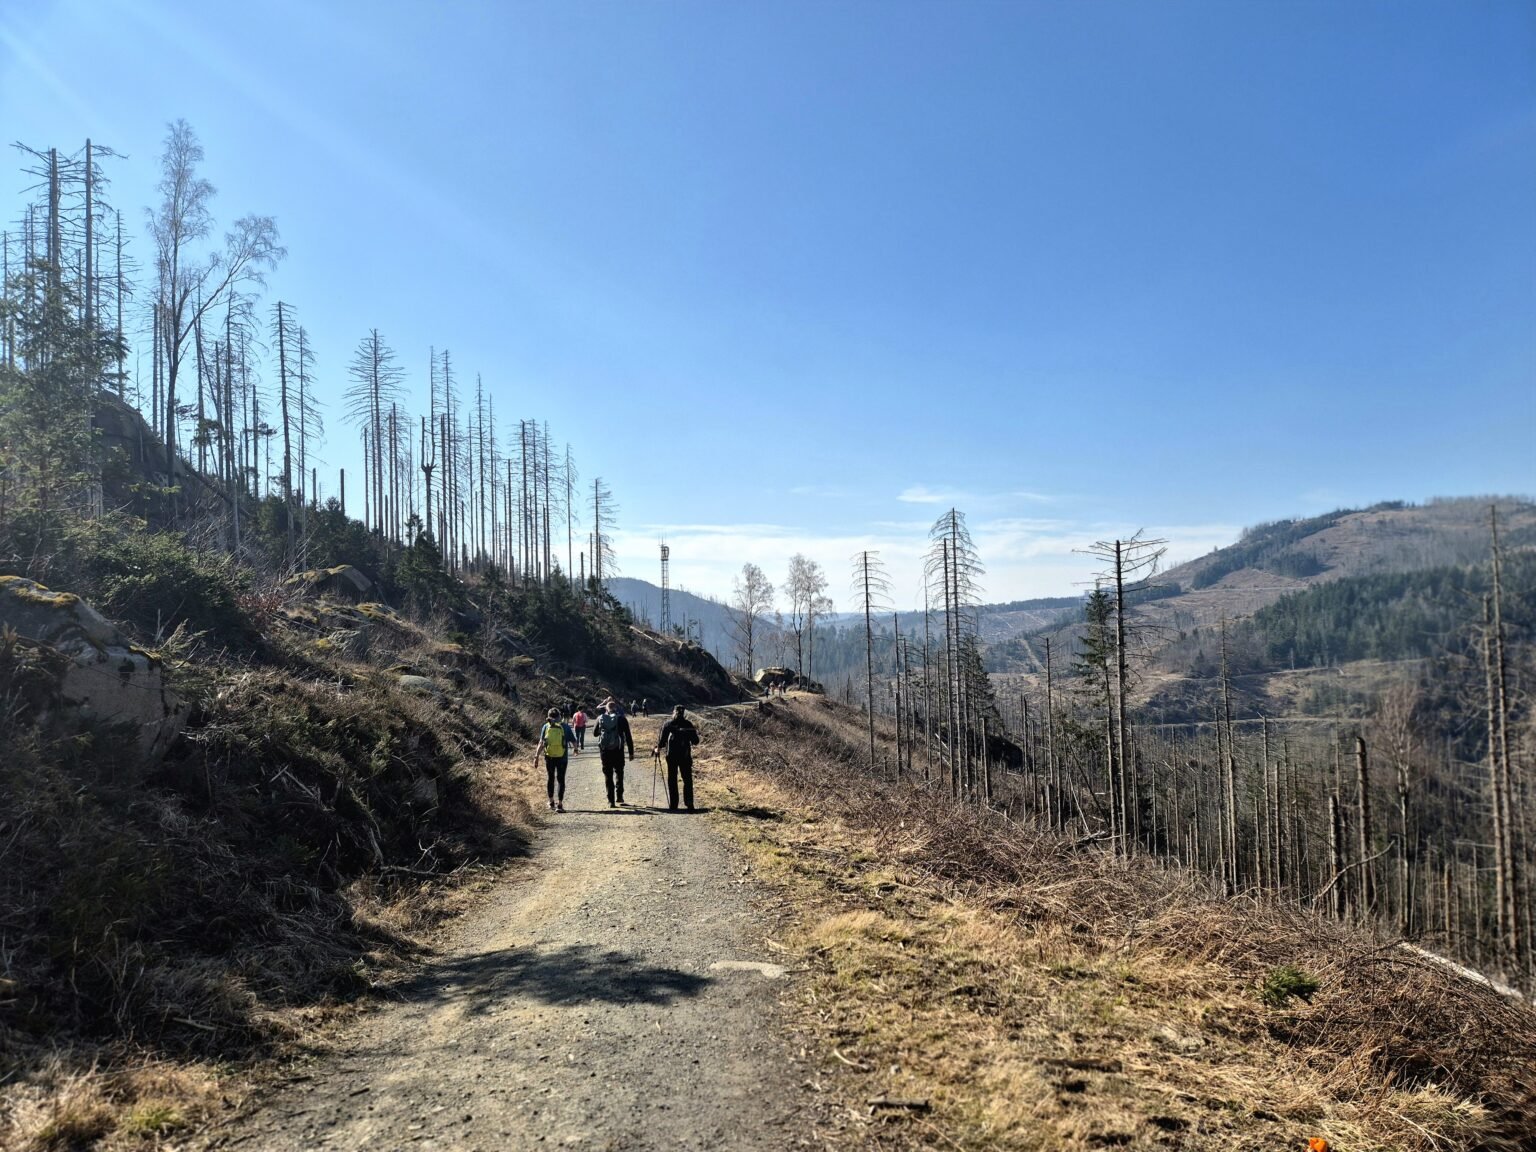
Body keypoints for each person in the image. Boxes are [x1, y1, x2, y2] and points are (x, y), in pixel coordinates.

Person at [655, 705, 701, 812]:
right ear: (684, 713)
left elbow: (662, 742)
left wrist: (656, 748)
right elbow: (696, 741)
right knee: (687, 779)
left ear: (673, 712)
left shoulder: (667, 724)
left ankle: (674, 804)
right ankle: (689, 803)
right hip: (685, 756)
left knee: (672, 779)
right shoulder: (688, 724)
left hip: (671, 756)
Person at [535, 707, 578, 812]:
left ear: (549, 716)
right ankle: (560, 804)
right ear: (560, 716)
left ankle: (551, 802)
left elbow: (541, 743)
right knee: (561, 779)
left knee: (550, 778)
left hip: (549, 757)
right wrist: (576, 749)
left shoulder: (546, 726)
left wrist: (536, 756)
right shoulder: (565, 727)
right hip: (562, 757)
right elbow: (573, 740)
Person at [592, 699, 634, 808]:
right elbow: (628, 736)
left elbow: (595, 734)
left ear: (606, 709)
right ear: (616, 708)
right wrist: (631, 752)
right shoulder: (621, 719)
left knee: (608, 774)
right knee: (619, 772)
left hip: (605, 751)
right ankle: (619, 796)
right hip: (618, 750)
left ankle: (611, 801)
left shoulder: (600, 718)